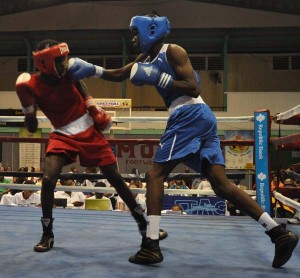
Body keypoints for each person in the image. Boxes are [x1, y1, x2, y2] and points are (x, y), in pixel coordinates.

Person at [67, 13, 298, 268]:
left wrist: (159, 78)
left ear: (150, 30)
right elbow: (122, 73)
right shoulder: (145, 58)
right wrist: (92, 70)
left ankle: (151, 245)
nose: (133, 39)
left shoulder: (173, 51)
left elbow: (193, 86)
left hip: (189, 113)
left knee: (154, 175)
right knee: (221, 186)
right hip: (198, 118)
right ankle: (278, 233)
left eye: (135, 33)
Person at [15, 39, 150, 253]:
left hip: (88, 129)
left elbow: (115, 74)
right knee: (48, 179)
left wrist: (92, 105)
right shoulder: (30, 85)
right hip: (61, 133)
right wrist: (26, 107)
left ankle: (143, 224)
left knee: (114, 177)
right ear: (44, 63)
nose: (64, 63)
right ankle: (47, 233)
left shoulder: (72, 69)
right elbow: (31, 127)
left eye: (64, 59)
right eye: (59, 61)